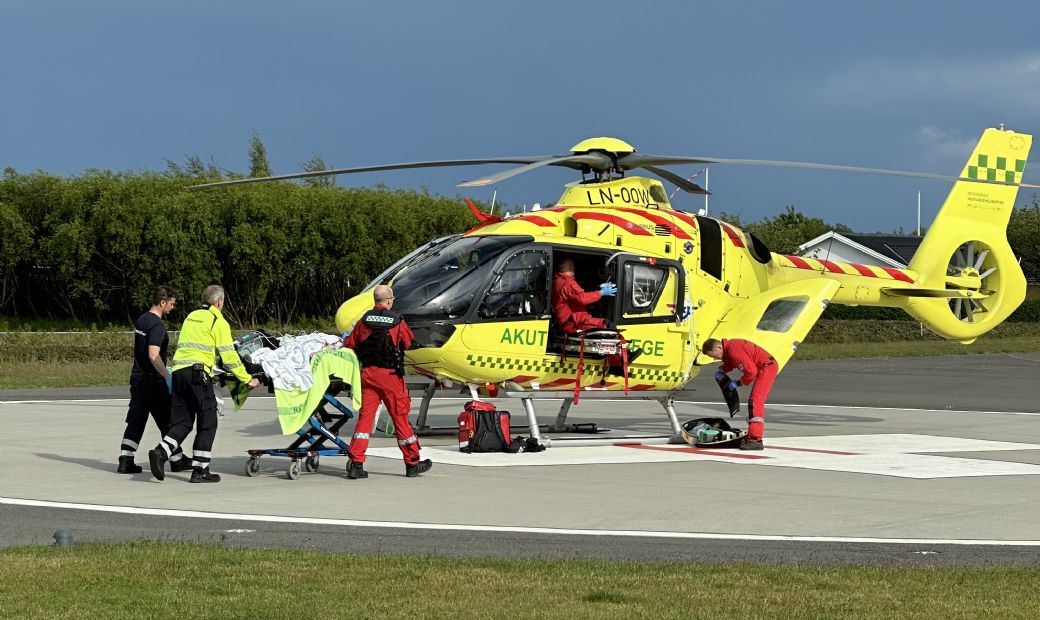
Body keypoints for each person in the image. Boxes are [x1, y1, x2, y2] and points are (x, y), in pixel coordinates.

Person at [148, 285, 260, 483]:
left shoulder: (191, 317)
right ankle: (200, 470)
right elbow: (229, 356)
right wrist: (246, 379)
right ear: (219, 302)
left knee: (183, 422)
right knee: (208, 421)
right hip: (197, 375)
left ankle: (161, 452)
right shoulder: (217, 320)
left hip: (178, 373)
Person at [342, 284, 432, 479]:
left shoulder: (364, 320)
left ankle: (356, 463)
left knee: (365, 420)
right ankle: (412, 462)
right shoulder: (397, 321)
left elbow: (350, 343)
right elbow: (407, 342)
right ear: (389, 300)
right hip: (390, 377)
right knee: (400, 418)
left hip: (368, 375)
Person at [116, 286, 191, 474]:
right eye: (171, 304)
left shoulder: (142, 320)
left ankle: (125, 458)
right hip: (152, 381)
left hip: (137, 378)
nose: (172, 307)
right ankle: (177, 460)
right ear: (162, 302)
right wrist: (167, 376)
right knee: (167, 419)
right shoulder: (157, 326)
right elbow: (153, 355)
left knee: (136, 419)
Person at [701, 338, 778, 450]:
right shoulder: (730, 348)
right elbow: (732, 362)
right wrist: (722, 369)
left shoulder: (733, 350)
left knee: (755, 402)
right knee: (755, 401)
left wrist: (738, 383)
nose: (714, 358)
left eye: (714, 355)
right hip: (766, 365)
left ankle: (755, 439)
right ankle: (752, 436)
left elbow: (751, 372)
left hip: (767, 367)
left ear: (718, 347)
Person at [552, 258, 616, 334]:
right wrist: (600, 293)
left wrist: (598, 288)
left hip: (568, 322)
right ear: (570, 267)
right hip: (573, 322)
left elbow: (576, 294)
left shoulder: (557, 281)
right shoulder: (568, 282)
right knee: (606, 325)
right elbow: (583, 298)